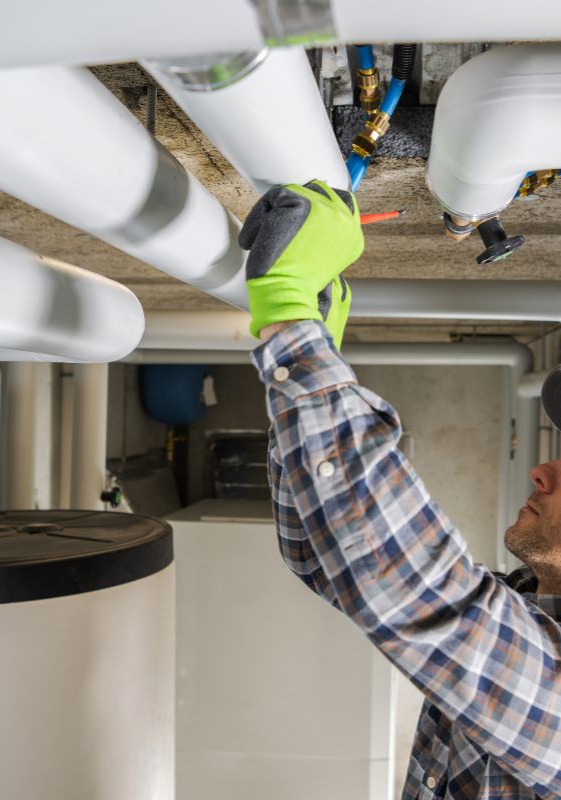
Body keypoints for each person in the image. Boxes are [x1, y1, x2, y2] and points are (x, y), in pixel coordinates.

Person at [240, 181, 561, 799]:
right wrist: (306, 349)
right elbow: (322, 560)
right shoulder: (519, 605)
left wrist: (290, 317)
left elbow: (424, 600)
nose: (542, 473)